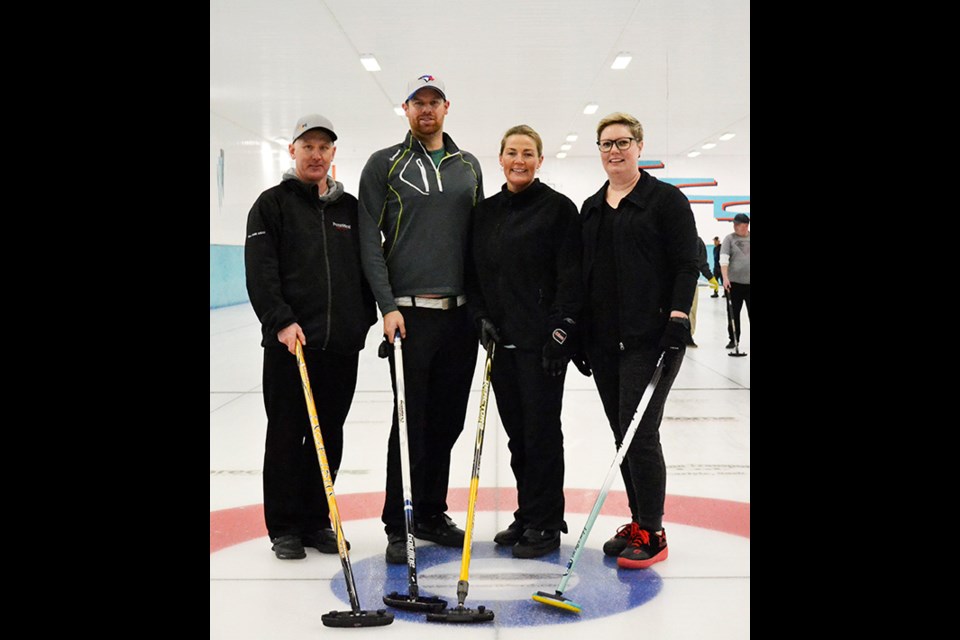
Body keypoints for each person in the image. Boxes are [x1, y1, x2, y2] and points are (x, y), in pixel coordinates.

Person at [357, 74, 485, 564]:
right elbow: (369, 240)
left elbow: (478, 241)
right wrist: (386, 306)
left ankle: (431, 512)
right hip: (409, 316)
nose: (426, 109)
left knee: (447, 421)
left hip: (459, 320)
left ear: (447, 107)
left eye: (434, 102)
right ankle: (399, 522)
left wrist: (481, 309)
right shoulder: (383, 164)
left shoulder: (468, 166)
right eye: (417, 102)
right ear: (405, 109)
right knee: (410, 423)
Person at [244, 114, 377, 560]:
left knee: (330, 433)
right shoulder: (271, 205)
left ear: (333, 154)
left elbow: (364, 270)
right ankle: (284, 527)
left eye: (324, 147)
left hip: (340, 345)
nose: (316, 154)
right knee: (287, 433)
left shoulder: (349, 209)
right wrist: (280, 320)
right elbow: (261, 272)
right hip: (290, 344)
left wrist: (361, 322)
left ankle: (317, 519)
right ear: (293, 151)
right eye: (308, 146)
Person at [578, 112, 699, 570]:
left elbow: (687, 264)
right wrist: (580, 336)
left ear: (639, 146)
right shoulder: (592, 207)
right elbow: (586, 277)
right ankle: (637, 520)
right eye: (606, 143)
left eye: (623, 142)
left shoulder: (665, 201)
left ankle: (654, 529)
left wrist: (677, 317)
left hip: (653, 339)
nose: (614, 150)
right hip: (605, 343)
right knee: (621, 435)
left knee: (640, 433)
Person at [467, 125, 584, 558]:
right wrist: (479, 317)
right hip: (502, 345)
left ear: (539, 160)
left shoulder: (557, 210)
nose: (520, 160)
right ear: (500, 158)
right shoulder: (486, 212)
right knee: (518, 436)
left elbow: (570, 280)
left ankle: (548, 521)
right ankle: (528, 512)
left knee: (541, 435)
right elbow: (474, 276)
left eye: (528, 153)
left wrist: (560, 334)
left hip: (541, 349)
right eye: (512, 152)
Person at [720, 213, 751, 349]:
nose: (735, 226)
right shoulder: (729, 239)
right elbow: (724, 260)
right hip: (734, 284)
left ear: (746, 225)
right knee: (734, 314)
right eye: (734, 224)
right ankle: (734, 339)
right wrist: (725, 278)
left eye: (738, 224)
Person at [687, 237, 719, 348]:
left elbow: (702, 262)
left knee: (690, 309)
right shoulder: (670, 236)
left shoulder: (697, 241)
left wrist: (710, 277)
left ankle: (687, 335)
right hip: (675, 279)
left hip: (689, 279)